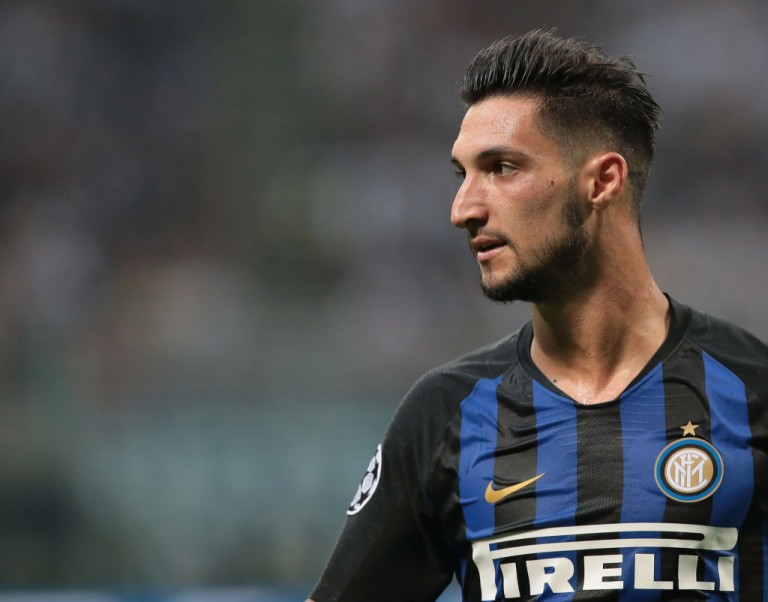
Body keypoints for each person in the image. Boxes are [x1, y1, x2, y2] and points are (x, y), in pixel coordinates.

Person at [307, 29, 768, 601]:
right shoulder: (446, 413)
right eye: (462, 174)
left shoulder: (752, 389)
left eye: (501, 168)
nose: (463, 209)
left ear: (602, 181)